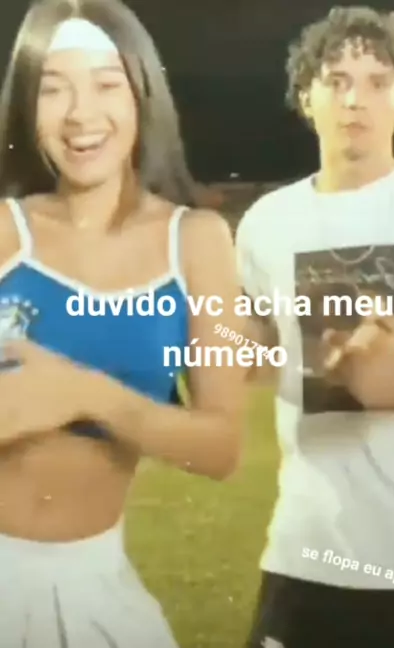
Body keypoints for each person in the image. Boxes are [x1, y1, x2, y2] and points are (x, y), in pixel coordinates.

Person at [0, 0, 246, 646]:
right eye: (54, 89)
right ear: (27, 104)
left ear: (141, 93)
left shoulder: (197, 241)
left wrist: (82, 394)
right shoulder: (5, 231)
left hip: (96, 586)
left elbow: (221, 448)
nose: (80, 114)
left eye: (105, 84)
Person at [236, 6, 394, 648]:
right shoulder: (266, 222)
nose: (355, 99)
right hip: (310, 555)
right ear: (305, 97)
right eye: (336, 80)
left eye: (377, 82)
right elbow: (256, 352)